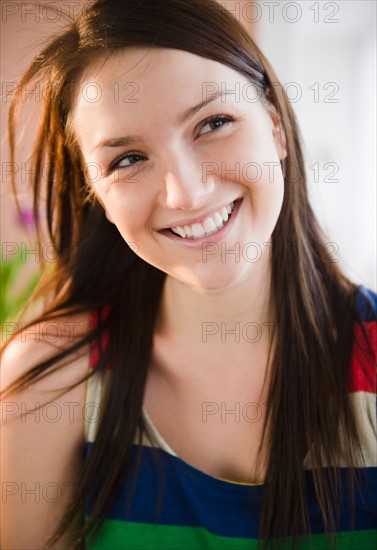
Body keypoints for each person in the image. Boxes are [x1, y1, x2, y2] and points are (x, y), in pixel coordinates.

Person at [1, 0, 376, 549]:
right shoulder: (49, 380)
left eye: (213, 123)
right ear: (97, 195)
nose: (187, 193)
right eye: (126, 160)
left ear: (274, 126)